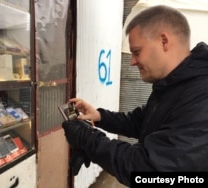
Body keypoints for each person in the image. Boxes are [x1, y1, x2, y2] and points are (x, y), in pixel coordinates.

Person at [61, 5, 208, 186]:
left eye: (137, 52)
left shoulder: (201, 94)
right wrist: (99, 117)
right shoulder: (173, 85)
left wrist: (87, 139)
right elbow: (141, 122)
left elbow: (149, 170)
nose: (131, 62)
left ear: (164, 41)